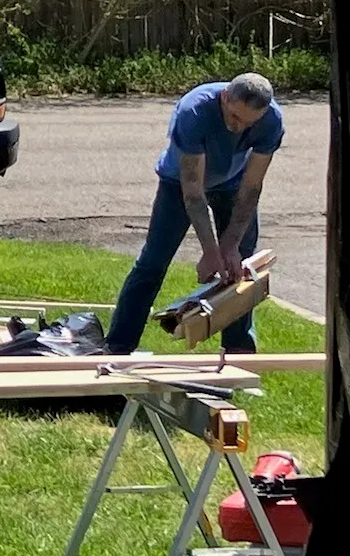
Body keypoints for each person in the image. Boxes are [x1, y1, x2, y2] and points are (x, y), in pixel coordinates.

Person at [106, 73, 284, 354]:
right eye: (235, 117)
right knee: (152, 263)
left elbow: (251, 188)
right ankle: (117, 347)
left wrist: (230, 245)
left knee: (241, 269)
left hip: (233, 184)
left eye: (250, 123)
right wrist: (212, 251)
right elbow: (193, 191)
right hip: (179, 184)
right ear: (225, 96)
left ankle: (239, 355)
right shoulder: (194, 111)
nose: (239, 129)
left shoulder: (272, 121)